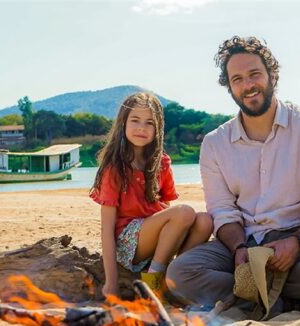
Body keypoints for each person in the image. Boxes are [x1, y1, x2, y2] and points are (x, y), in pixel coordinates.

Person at [167, 36, 300, 317]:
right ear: (230, 87)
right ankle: (298, 301)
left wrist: (296, 242)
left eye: (254, 74)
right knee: (180, 274)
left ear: (272, 75)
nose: (248, 85)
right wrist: (238, 248)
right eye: (237, 79)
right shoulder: (215, 144)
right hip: (243, 244)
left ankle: (252, 297)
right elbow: (222, 211)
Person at [90, 92, 213, 300]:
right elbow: (107, 228)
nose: (141, 128)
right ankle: (153, 280)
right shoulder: (114, 168)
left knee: (205, 221)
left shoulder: (161, 163)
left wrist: (180, 219)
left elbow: (167, 212)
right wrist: (111, 283)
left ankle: (174, 277)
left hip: (153, 235)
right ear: (123, 123)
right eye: (135, 120)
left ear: (157, 129)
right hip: (127, 243)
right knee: (184, 212)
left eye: (149, 123)